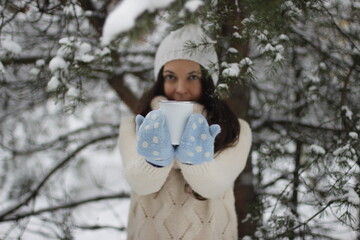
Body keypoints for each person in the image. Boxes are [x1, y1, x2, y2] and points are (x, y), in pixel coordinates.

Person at [118, 24, 252, 240]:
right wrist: (153, 161)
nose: (180, 88)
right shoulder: (134, 125)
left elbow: (215, 186)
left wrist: (195, 162)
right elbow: (138, 182)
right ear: (160, 79)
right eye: (171, 77)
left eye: (192, 77)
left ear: (208, 80)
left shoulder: (235, 130)